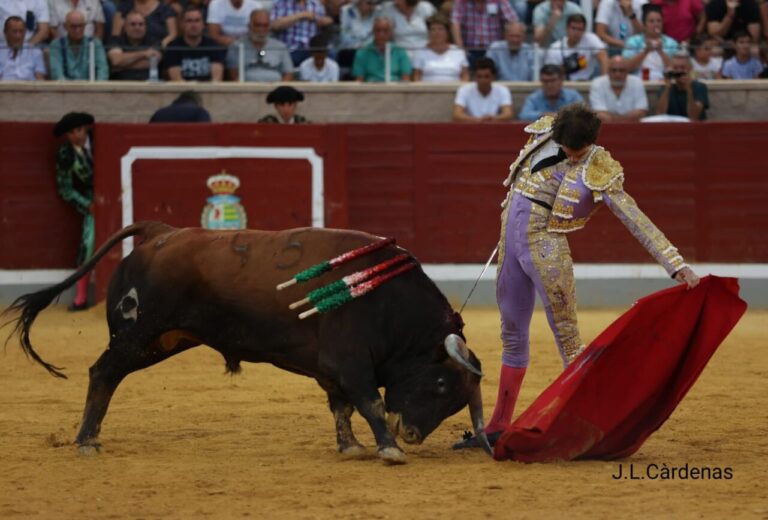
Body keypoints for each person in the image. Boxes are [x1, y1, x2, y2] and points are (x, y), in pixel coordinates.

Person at [453, 104, 699, 449]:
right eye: (568, 148)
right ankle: (497, 426)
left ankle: (594, 427)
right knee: (511, 334)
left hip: (547, 250)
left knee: (569, 341)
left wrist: (675, 263)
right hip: (510, 244)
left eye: (578, 151)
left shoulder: (598, 166)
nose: (571, 156)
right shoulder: (544, 134)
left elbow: (633, 216)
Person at [53, 111, 96, 312]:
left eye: (79, 130)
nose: (77, 135)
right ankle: (81, 297)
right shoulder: (65, 154)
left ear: (86, 128)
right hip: (93, 201)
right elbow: (66, 189)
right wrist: (87, 204)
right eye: (71, 133)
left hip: (120, 193)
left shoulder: (101, 140)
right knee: (87, 244)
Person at [226, 9, 294, 81]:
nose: (261, 29)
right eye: (258, 25)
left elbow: (289, 74)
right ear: (249, 26)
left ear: (269, 27)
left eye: (265, 25)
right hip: (246, 90)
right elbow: (233, 76)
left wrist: (280, 91)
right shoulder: (237, 47)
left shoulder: (280, 47)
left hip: (276, 89)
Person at [164, 6, 227, 81]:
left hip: (208, 91)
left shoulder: (213, 46)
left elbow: (216, 79)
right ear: (182, 24)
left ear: (203, 24)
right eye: (189, 21)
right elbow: (177, 80)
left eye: (197, 21)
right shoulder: (173, 47)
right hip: (183, 92)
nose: (193, 25)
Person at [622, 3, 680, 80]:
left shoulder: (672, 43)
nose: (656, 24)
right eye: (651, 21)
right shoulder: (633, 41)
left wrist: (661, 52)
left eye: (659, 21)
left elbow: (677, 70)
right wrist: (645, 52)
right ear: (644, 24)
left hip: (664, 83)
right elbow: (625, 68)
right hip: (639, 82)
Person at [449, 0, 518, 64]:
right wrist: (461, 50)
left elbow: (513, 23)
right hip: (470, 50)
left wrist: (504, 45)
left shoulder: (499, 1)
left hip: (494, 50)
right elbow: (455, 24)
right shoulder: (461, 2)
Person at [544, 14, 608, 81]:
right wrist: (563, 68)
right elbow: (549, 73)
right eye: (573, 28)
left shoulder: (590, 39)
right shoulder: (555, 48)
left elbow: (603, 58)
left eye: (580, 29)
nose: (576, 32)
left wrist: (604, 82)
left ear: (584, 31)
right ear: (567, 29)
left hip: (587, 82)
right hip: (565, 84)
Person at [49, 10, 109, 80]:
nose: (78, 30)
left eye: (81, 26)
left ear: (85, 25)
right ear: (65, 27)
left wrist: (97, 88)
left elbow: (103, 70)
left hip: (91, 88)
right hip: (66, 88)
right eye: (73, 26)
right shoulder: (56, 45)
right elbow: (57, 74)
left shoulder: (95, 43)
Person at [269, 0, 333, 65]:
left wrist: (324, 21)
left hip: (312, 49)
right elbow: (274, 26)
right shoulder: (279, 3)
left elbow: (326, 20)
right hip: (291, 50)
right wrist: (301, 15)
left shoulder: (315, 4)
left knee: (331, 55)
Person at [452, 57, 512, 122]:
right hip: (472, 128)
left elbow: (508, 115)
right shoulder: (464, 90)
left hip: (494, 128)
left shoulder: (502, 90)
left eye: (486, 76)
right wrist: (477, 120)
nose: (483, 80)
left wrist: (492, 119)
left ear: (493, 77)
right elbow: (456, 115)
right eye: (479, 76)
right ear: (475, 77)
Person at [352, 16, 412, 82]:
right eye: (378, 30)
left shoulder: (400, 52)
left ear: (391, 32)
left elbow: (405, 78)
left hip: (394, 89)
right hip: (370, 89)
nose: (381, 34)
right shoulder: (362, 53)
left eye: (385, 30)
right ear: (373, 32)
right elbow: (359, 80)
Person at [589, 55, 648, 121]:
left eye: (621, 70)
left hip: (632, 127)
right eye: (613, 70)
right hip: (606, 128)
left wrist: (614, 119)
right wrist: (626, 118)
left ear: (627, 71)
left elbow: (641, 112)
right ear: (608, 71)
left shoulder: (637, 82)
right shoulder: (597, 83)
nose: (617, 74)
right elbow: (599, 113)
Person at [412, 13, 469, 82]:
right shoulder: (420, 52)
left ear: (447, 32)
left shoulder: (458, 51)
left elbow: (465, 76)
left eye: (440, 29)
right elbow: (416, 77)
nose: (436, 32)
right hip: (428, 91)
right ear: (429, 32)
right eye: (433, 29)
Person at [107, 10, 162, 80]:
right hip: (120, 86)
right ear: (125, 27)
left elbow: (152, 63)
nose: (137, 27)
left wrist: (122, 64)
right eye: (133, 24)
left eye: (141, 24)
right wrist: (144, 53)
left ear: (146, 27)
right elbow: (116, 61)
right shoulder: (116, 41)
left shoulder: (154, 41)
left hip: (149, 86)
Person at [518, 64, 584, 121]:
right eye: (545, 81)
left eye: (553, 80)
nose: (549, 85)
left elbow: (583, 114)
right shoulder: (533, 98)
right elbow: (523, 116)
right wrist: (544, 115)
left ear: (561, 80)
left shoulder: (573, 96)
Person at [655, 52, 708, 120]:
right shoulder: (665, 88)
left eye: (683, 68)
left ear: (690, 69)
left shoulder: (699, 87)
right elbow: (659, 114)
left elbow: (694, 117)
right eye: (675, 68)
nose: (679, 71)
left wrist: (689, 89)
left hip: (693, 128)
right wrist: (667, 88)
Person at [112, 0, 178, 48]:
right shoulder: (124, 7)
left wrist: (161, 45)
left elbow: (173, 34)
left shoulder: (165, 9)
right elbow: (116, 36)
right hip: (127, 50)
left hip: (157, 51)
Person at [0, 16, 46, 81]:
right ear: (5, 33)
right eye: (14, 31)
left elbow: (40, 78)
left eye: (21, 31)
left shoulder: (35, 51)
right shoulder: (1, 50)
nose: (18, 36)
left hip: (29, 89)